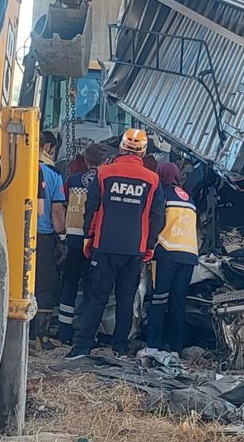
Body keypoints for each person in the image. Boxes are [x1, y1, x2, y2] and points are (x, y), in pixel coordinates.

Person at [67, 129, 165, 359]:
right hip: (134, 250)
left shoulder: (103, 174)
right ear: (143, 151)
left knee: (96, 298)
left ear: (121, 148)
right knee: (126, 299)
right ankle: (119, 347)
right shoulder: (152, 180)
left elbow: (91, 210)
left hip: (104, 246)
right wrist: (149, 247)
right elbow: (158, 217)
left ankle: (82, 347)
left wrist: (88, 239)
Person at [139, 161, 199, 357]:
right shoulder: (189, 198)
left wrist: (148, 248)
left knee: (159, 299)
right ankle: (175, 348)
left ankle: (153, 346)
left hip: (166, 252)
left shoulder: (161, 195)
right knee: (177, 302)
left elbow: (156, 222)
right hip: (189, 255)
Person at [58, 143, 109, 345]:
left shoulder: (72, 180)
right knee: (91, 288)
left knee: (69, 284)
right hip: (93, 239)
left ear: (86, 161)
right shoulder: (105, 181)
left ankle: (64, 332)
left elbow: (63, 203)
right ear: (104, 162)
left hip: (72, 238)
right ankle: (88, 334)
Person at [35, 131, 66, 350]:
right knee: (45, 285)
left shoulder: (10, 166)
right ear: (47, 147)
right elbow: (56, 211)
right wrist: (62, 236)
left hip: (12, 235)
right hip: (43, 237)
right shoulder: (53, 175)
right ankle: (41, 336)